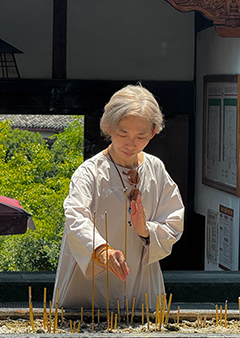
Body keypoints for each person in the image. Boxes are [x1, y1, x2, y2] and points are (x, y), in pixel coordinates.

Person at [53, 84, 184, 310]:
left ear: (153, 133)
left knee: (142, 322)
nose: (131, 143)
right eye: (123, 133)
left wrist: (146, 231)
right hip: (90, 285)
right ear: (109, 127)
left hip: (141, 281)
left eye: (141, 135)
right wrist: (101, 250)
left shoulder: (156, 169)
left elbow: (174, 222)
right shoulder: (90, 172)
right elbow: (75, 217)